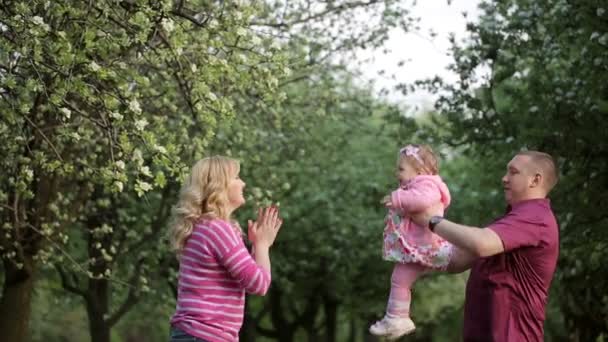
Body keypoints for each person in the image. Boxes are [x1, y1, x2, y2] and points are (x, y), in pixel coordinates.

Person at [411, 150, 559, 341]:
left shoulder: (536, 217)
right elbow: (457, 261)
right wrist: (408, 254)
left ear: (535, 180)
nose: (504, 178)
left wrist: (431, 220)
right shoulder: (510, 223)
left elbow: (480, 243)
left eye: (513, 172)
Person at [168, 156, 283, 342]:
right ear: (219, 186)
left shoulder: (204, 227)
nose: (243, 183)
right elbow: (259, 284)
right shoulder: (218, 229)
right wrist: (263, 245)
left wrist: (256, 246)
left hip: (191, 334)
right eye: (237, 177)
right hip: (206, 336)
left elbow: (247, 276)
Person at [369, 144, 454, 339]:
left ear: (420, 170)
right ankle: (397, 318)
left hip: (425, 245)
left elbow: (421, 200)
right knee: (399, 280)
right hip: (419, 246)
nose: (396, 173)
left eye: (400, 168)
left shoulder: (427, 185)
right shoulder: (417, 186)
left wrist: (398, 198)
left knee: (399, 280)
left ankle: (397, 318)